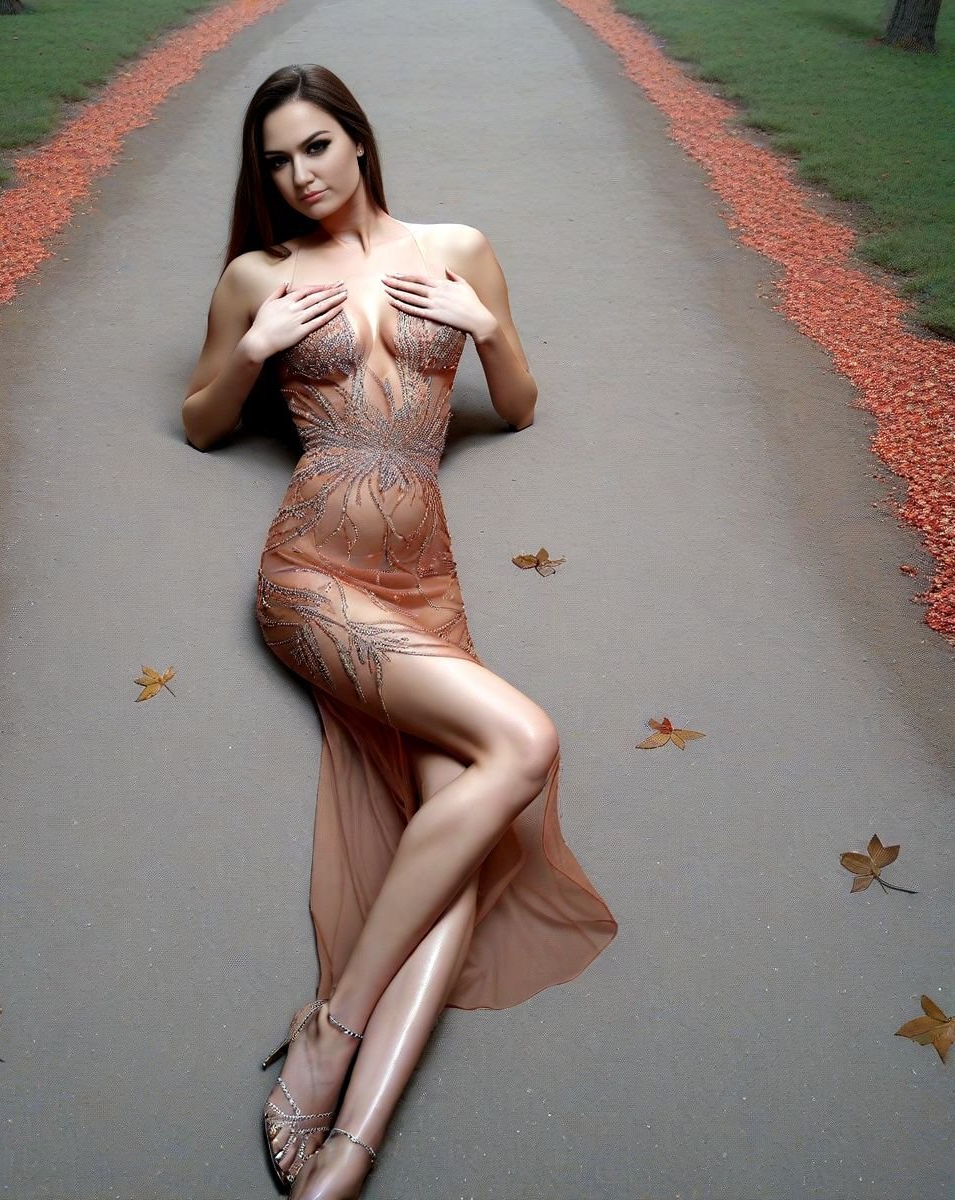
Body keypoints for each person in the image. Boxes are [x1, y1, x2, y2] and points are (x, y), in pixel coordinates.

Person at [182, 64, 618, 1200]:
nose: (301, 175)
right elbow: (201, 423)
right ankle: (329, 1033)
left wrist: (484, 327)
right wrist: (252, 347)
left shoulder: (458, 248)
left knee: (452, 844)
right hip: (310, 577)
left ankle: (348, 1152)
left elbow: (518, 404)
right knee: (523, 742)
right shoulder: (259, 274)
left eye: (316, 146)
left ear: (359, 141)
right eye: (278, 160)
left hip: (424, 585)